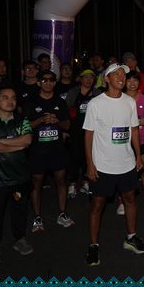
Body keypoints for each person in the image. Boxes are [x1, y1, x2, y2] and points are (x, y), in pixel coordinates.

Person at [83, 63, 144, 267]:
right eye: (116, 74)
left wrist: (138, 156)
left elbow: (134, 130)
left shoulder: (130, 102)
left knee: (130, 199)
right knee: (97, 205)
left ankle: (131, 237)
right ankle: (93, 245)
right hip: (103, 165)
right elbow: (88, 135)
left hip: (126, 163)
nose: (121, 77)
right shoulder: (95, 103)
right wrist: (90, 164)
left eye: (123, 74)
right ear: (107, 79)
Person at [0, 86, 34, 265]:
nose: (10, 101)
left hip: (19, 178)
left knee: (20, 211)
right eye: (5, 97)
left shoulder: (22, 120)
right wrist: (17, 145)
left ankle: (20, 239)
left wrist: (0, 141)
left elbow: (27, 140)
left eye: (13, 97)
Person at [22, 69, 74, 232]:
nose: (48, 82)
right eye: (44, 80)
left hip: (57, 149)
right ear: (39, 82)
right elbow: (24, 126)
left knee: (61, 181)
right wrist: (41, 120)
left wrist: (56, 121)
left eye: (51, 80)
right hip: (37, 150)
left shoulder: (60, 102)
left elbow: (67, 125)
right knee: (36, 183)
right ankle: (37, 216)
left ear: (55, 82)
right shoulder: (31, 102)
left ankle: (62, 213)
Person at [64, 69, 101, 199]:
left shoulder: (97, 93)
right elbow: (65, 110)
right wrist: (65, 130)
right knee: (74, 156)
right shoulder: (73, 92)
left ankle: (86, 181)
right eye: (86, 77)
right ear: (80, 79)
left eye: (91, 77)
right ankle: (72, 183)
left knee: (89, 155)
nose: (88, 80)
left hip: (92, 130)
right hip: (75, 129)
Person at [124, 70, 144, 210]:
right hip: (125, 141)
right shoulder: (120, 98)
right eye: (129, 80)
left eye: (135, 80)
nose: (132, 83)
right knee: (124, 173)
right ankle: (122, 202)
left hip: (143, 139)